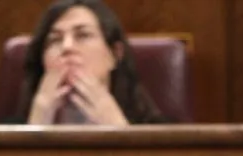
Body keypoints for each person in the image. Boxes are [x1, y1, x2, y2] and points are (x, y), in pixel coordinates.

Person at [10, 0, 165, 125]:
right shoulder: (8, 131)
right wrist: (36, 126)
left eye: (83, 35)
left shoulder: (160, 131)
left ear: (115, 54)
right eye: (55, 40)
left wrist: (118, 129)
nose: (67, 47)